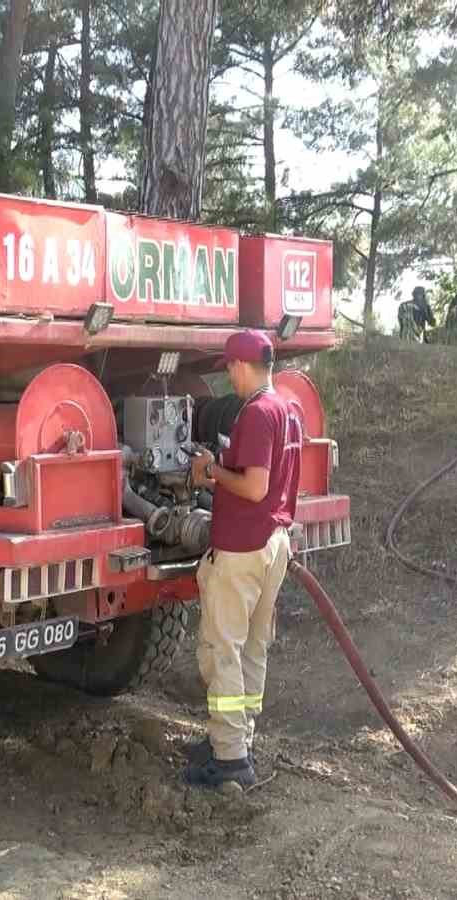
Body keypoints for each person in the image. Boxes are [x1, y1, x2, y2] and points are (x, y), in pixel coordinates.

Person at [184, 331, 303, 789]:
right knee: (253, 647)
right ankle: (236, 738)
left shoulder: (255, 414)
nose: (228, 377)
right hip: (275, 542)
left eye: (229, 368)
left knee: (223, 649)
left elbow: (253, 487)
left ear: (239, 365)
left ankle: (229, 759)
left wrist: (209, 470)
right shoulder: (287, 410)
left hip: (243, 547)